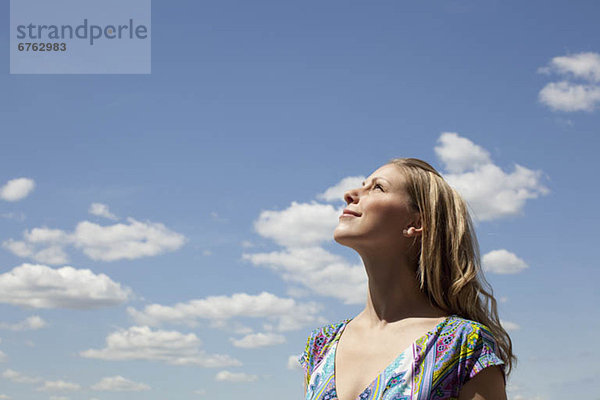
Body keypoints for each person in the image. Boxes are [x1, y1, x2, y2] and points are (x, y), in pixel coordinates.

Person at [298, 158, 516, 400]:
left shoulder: (463, 344)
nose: (350, 194)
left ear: (416, 222)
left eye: (377, 187)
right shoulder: (321, 344)